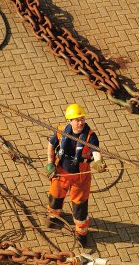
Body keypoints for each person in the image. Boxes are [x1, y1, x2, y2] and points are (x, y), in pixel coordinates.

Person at [44, 104, 105, 247]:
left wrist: (98, 162)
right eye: (77, 119)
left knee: (80, 206)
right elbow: (51, 145)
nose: (81, 122)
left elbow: (96, 152)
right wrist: (49, 163)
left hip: (80, 176)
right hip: (61, 173)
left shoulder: (90, 136)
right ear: (69, 121)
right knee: (55, 197)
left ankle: (81, 233)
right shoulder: (61, 132)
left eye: (82, 118)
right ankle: (54, 217)